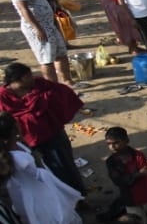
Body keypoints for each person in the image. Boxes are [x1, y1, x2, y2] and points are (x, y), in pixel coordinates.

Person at [0, 115, 82, 224]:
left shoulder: (18, 148)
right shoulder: (16, 157)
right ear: (13, 131)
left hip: (46, 193)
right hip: (41, 199)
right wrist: (38, 161)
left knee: (72, 223)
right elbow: (36, 175)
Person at [0, 63, 84, 194]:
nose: (32, 78)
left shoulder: (41, 85)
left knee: (66, 167)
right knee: (41, 172)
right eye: (28, 76)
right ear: (17, 80)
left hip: (53, 135)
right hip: (26, 142)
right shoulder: (3, 98)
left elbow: (61, 92)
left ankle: (78, 195)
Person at [6, 0, 72, 84]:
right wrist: (37, 29)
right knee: (46, 59)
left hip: (48, 24)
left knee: (60, 53)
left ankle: (67, 81)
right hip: (38, 27)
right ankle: (52, 86)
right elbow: (23, 8)